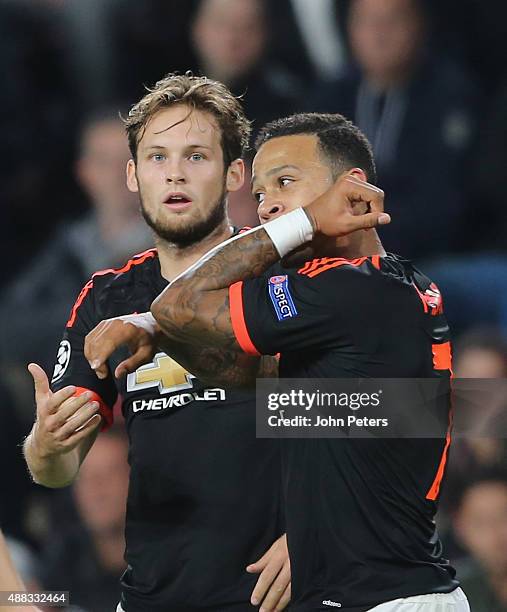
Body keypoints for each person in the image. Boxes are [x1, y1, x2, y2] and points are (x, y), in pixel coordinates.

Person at [87, 112, 470, 611]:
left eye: (286, 183)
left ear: (353, 189)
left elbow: (177, 304)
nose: (269, 208)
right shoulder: (383, 284)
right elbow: (260, 384)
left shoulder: (348, 290)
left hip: (386, 599)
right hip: (386, 591)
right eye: (263, 194)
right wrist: (167, 342)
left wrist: (304, 222)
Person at [23, 74, 289, 612]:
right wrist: (45, 447)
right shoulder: (106, 298)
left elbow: (398, 412)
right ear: (131, 175)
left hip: (275, 593)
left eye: (196, 156)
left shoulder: (283, 281)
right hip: (151, 597)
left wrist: (318, 527)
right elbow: (58, 469)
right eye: (157, 157)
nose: (174, 174)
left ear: (235, 173)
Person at [38, 426, 129, 611]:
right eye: (84, 477)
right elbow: (46, 598)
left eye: (110, 474)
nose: (96, 490)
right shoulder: (69, 551)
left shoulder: (167, 564)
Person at [453, 470, 507, 612]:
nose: (497, 534)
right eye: (481, 522)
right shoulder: (449, 594)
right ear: (460, 528)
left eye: (504, 517)